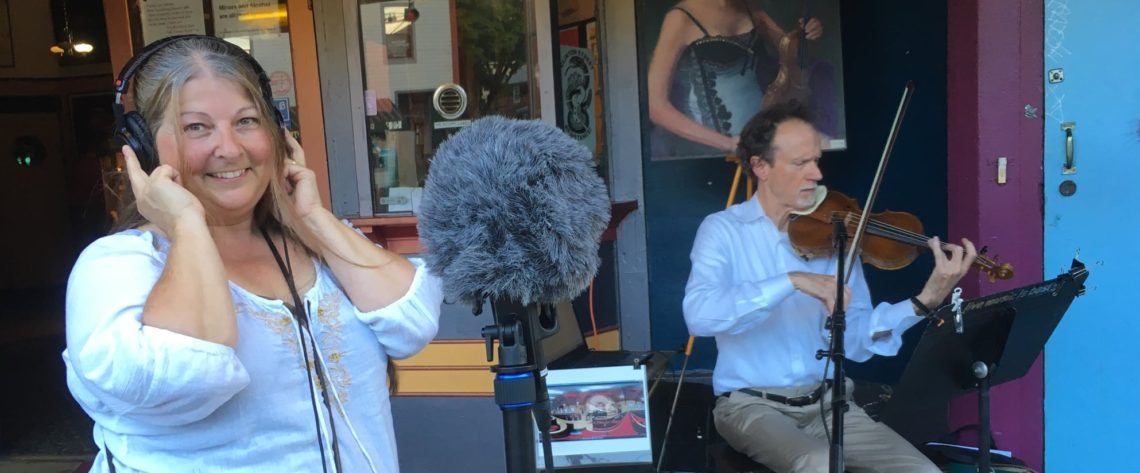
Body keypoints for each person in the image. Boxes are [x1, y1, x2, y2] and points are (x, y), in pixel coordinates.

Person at [63, 35, 442, 472]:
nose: (229, 148)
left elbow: (411, 324)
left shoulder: (316, 244)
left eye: (246, 121)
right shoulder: (116, 266)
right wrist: (187, 225)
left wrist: (313, 217)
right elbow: (182, 377)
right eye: (196, 127)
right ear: (144, 146)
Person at [682, 100, 975, 473]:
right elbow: (700, 317)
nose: (817, 174)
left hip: (832, 406)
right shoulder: (722, 230)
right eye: (800, 163)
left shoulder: (836, 235)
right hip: (751, 406)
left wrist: (924, 300)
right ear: (760, 167)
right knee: (818, 464)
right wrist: (791, 281)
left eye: (816, 161)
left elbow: (854, 340)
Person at [647, 0, 824, 158]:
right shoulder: (680, 18)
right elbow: (656, 107)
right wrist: (730, 144)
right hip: (710, 151)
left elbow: (792, 54)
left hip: (759, 142)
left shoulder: (750, 7)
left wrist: (808, 33)